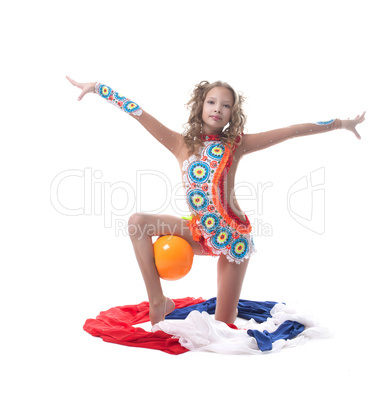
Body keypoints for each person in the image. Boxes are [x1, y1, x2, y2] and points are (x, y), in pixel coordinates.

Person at [66, 76, 365, 325]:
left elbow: (290, 132)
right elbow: (138, 112)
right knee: (137, 224)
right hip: (198, 231)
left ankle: (228, 311)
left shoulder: (236, 144)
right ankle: (158, 301)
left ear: (232, 114)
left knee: (223, 327)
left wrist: (341, 124)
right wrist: (99, 88)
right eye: (211, 102)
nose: (218, 109)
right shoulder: (179, 143)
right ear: (200, 106)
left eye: (226, 105)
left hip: (233, 239)